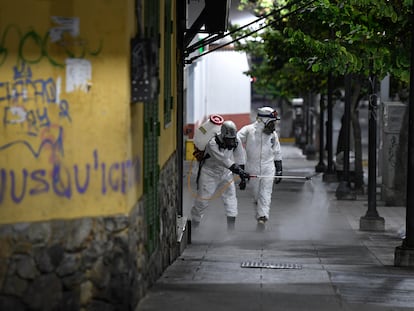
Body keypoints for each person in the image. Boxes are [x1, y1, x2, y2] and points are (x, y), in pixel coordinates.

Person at [191, 120, 249, 231]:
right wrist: (239, 171)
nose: (232, 142)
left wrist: (242, 177)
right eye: (229, 140)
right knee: (202, 201)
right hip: (209, 173)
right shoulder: (212, 143)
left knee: (231, 199)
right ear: (223, 135)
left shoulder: (236, 141)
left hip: (226, 174)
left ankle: (231, 230)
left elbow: (240, 158)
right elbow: (223, 160)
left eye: (233, 139)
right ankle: (194, 225)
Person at [237, 107, 283, 232]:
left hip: (269, 167)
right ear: (263, 120)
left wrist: (279, 168)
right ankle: (260, 213)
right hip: (252, 168)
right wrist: (239, 166)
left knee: (266, 193)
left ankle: (262, 218)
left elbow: (277, 151)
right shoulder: (248, 130)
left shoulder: (273, 135)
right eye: (272, 121)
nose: (274, 124)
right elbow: (235, 141)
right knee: (257, 195)